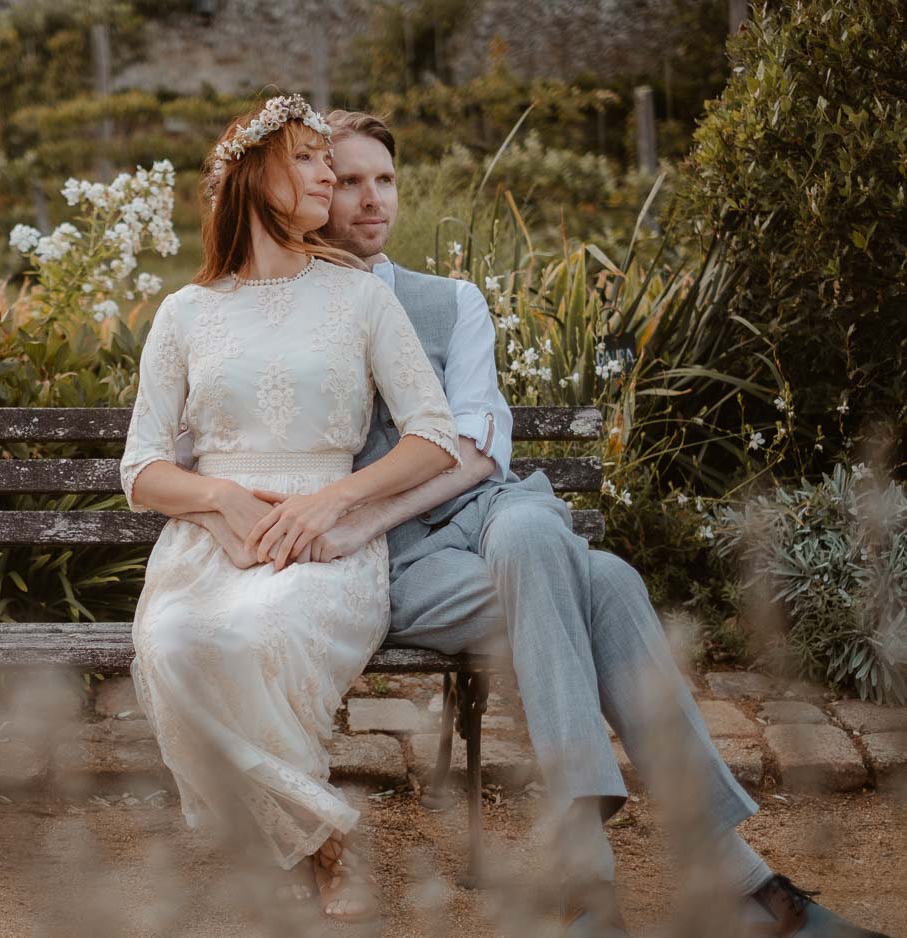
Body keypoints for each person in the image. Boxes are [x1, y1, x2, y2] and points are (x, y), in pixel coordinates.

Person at [187, 108, 890, 938]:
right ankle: (737, 883)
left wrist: (355, 509)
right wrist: (344, 524)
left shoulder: (452, 301)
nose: (371, 200)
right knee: (609, 582)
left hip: (492, 515)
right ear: (303, 192)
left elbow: (481, 449)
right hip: (403, 567)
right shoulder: (291, 309)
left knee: (528, 535)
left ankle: (588, 876)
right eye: (345, 181)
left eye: (386, 180)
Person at [119, 93, 461, 924]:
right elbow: (139, 469)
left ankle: (292, 837)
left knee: (252, 636)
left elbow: (436, 437)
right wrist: (220, 496)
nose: (329, 173)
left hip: (328, 540)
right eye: (307, 157)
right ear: (253, 173)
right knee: (171, 641)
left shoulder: (359, 299)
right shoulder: (186, 313)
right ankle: (316, 831)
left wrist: (331, 501)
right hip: (209, 543)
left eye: (326, 158)